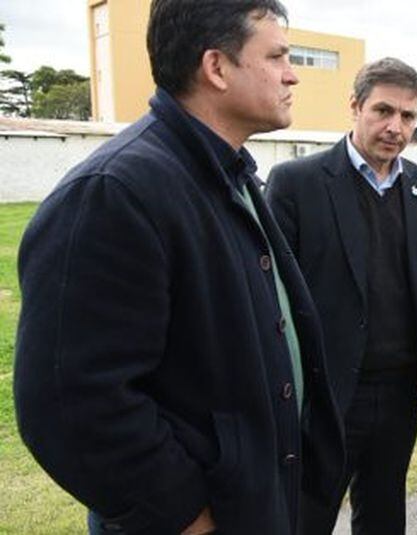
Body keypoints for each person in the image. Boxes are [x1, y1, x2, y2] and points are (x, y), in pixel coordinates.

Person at [13, 1, 347, 534]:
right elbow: (69, 405)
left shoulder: (226, 174)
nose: (292, 74)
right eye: (278, 55)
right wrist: (187, 516)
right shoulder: (115, 192)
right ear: (216, 67)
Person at [265, 57, 417, 534]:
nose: (395, 127)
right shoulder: (297, 184)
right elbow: (270, 299)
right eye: (383, 111)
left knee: (383, 514)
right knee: (305, 515)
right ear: (354, 107)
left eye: (408, 116)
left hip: (398, 390)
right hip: (324, 392)